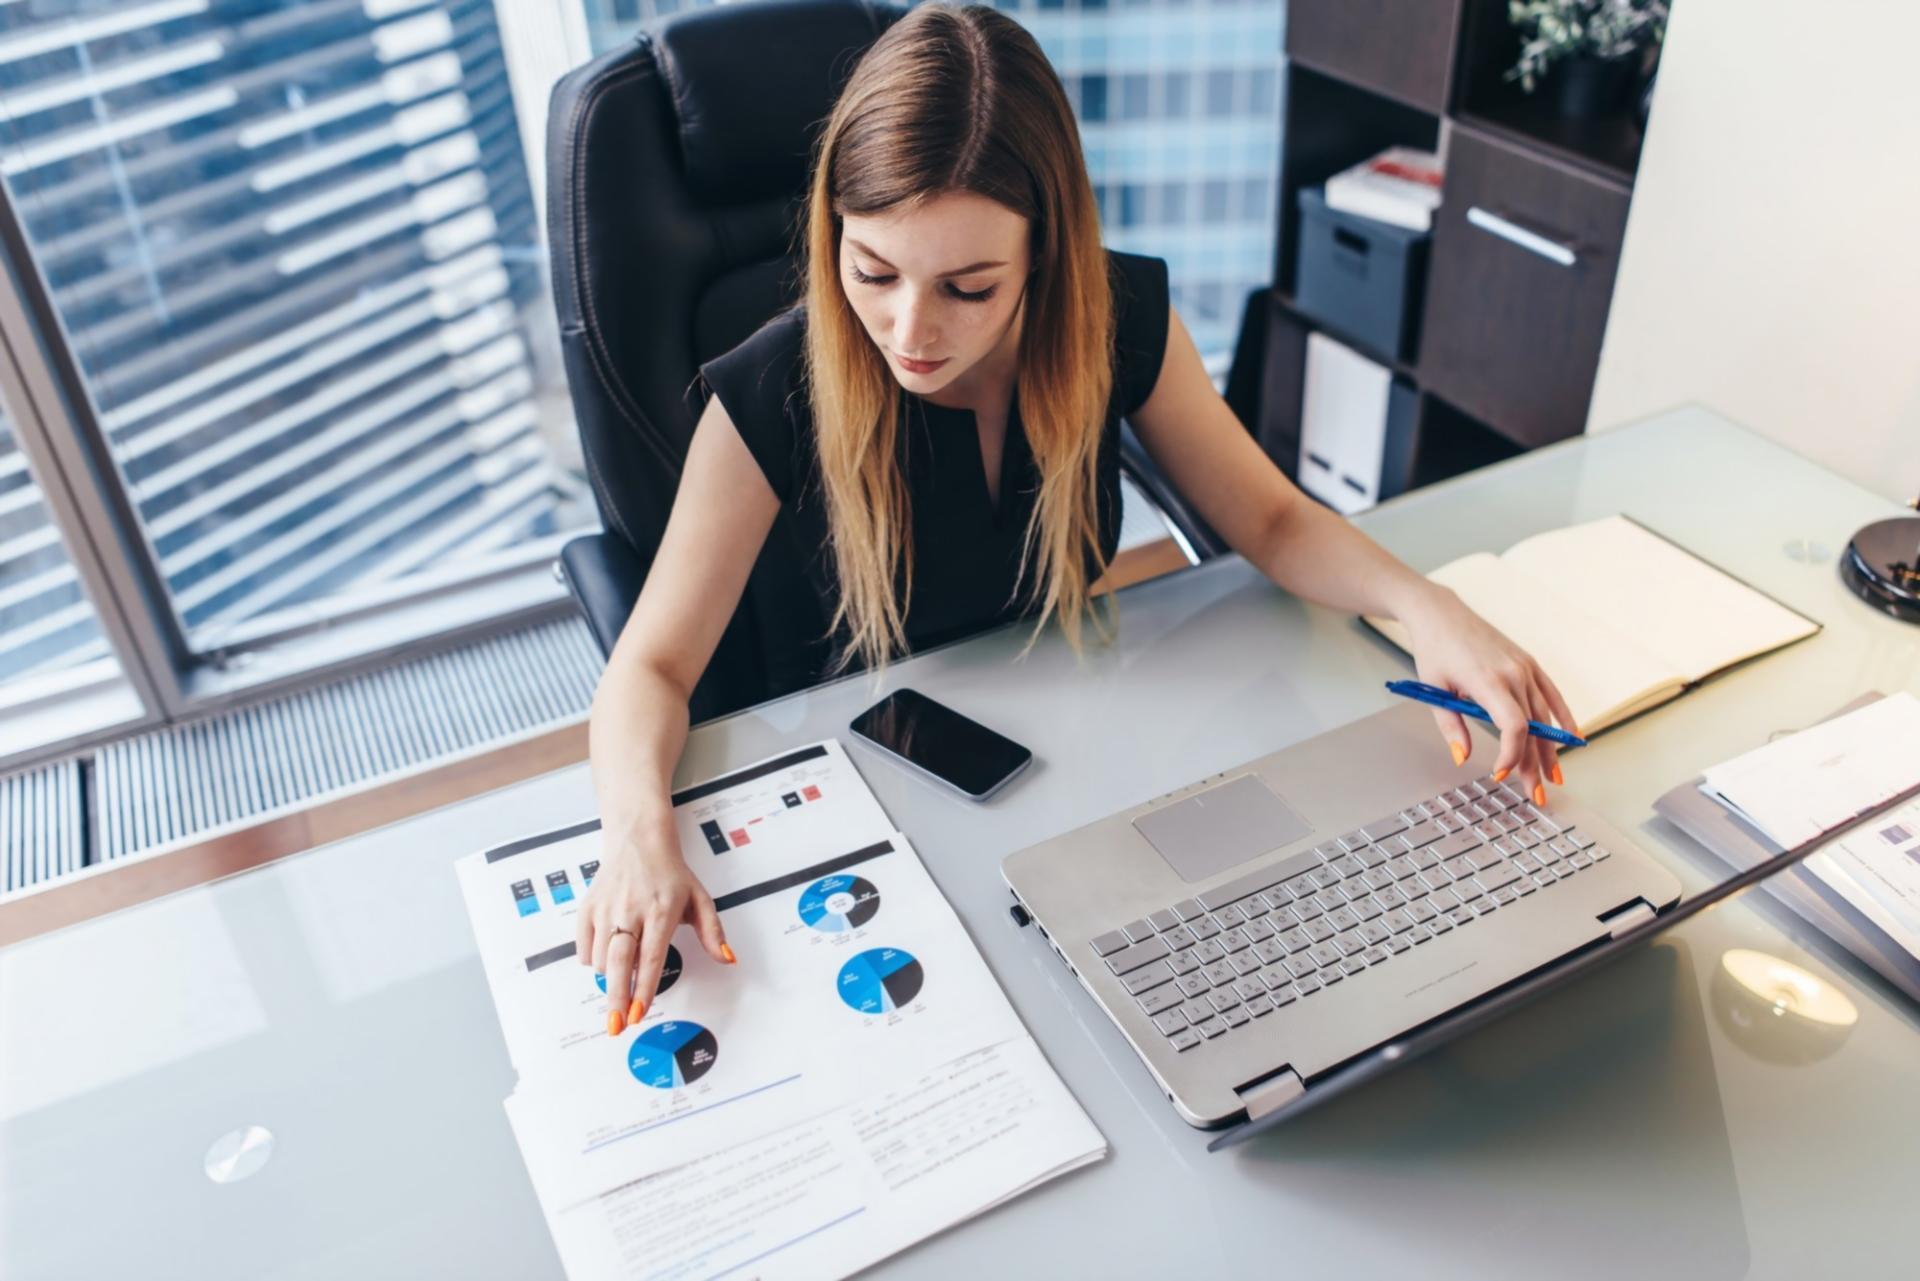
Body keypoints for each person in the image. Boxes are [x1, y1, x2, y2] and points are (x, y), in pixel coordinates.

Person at [579, 3, 1579, 1032]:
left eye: (969, 288)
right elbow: (647, 670)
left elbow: (1271, 519)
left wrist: (1429, 608)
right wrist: (638, 833)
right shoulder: (773, 390)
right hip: (870, 803)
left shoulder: (1112, 318)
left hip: (1066, 767)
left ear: (1045, 253)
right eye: (872, 270)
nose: (910, 332)